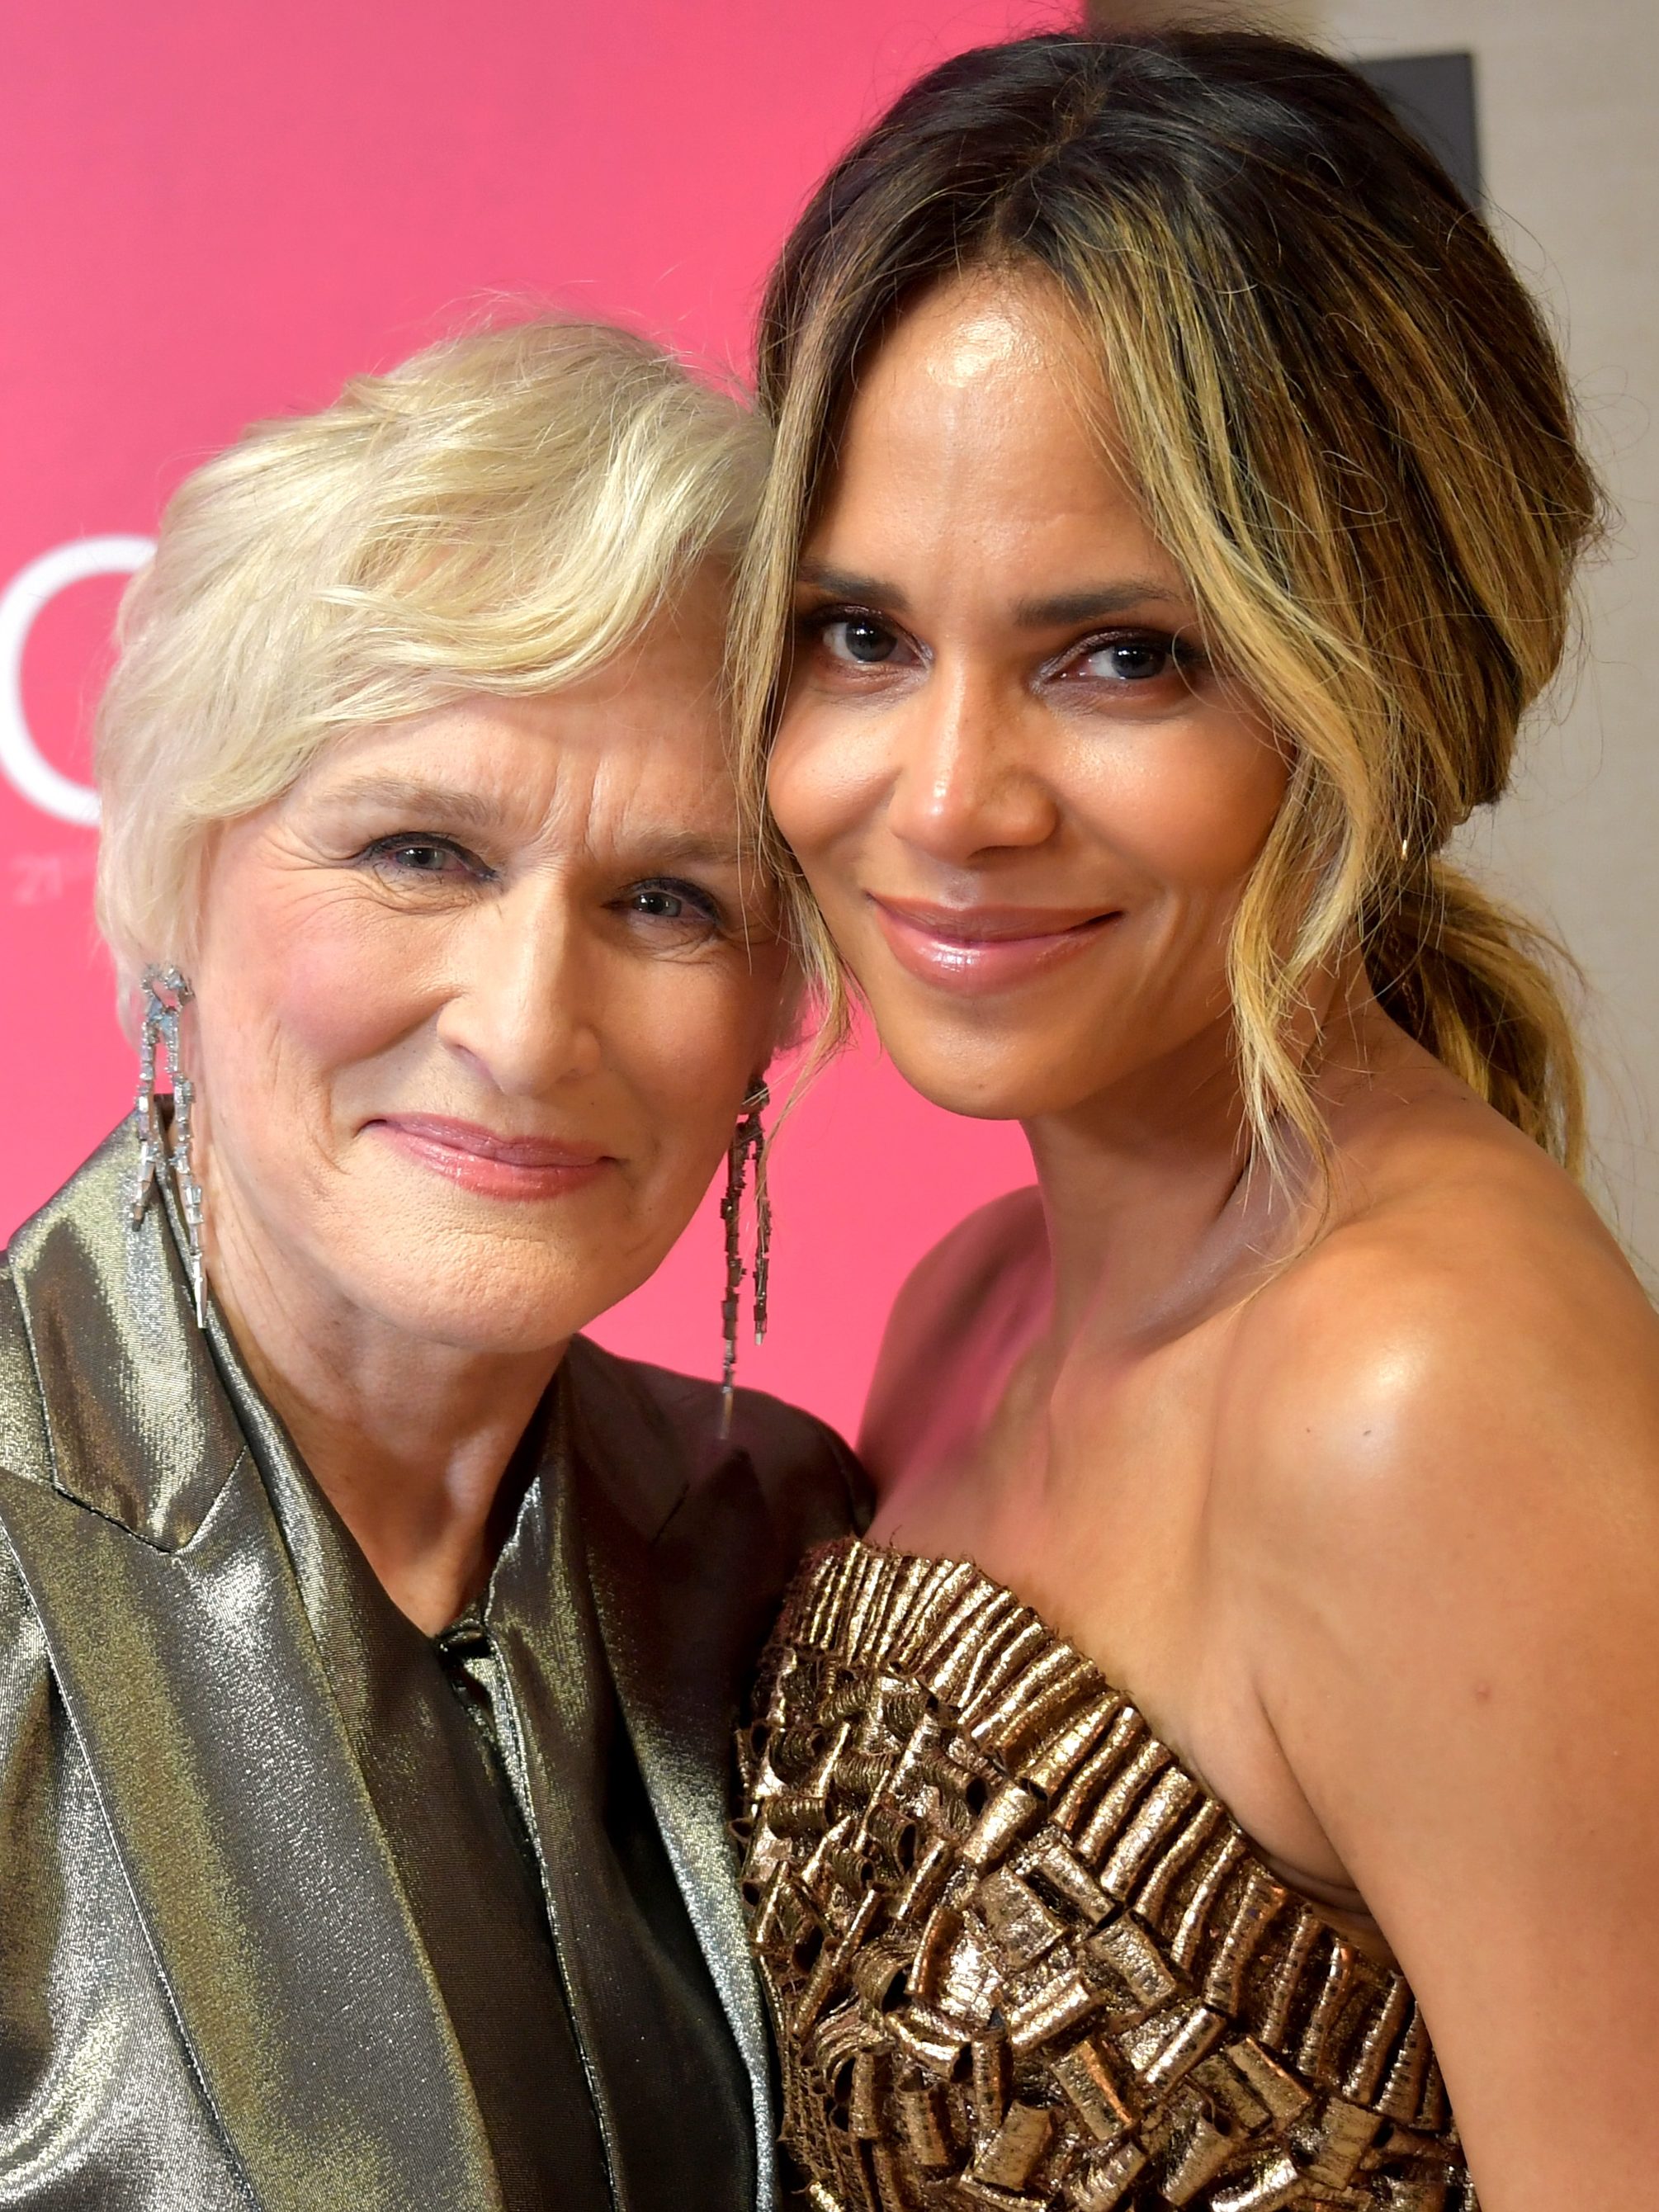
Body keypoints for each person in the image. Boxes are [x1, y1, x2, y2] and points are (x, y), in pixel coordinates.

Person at [731, 30, 1659, 2212]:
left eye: (1120, 656)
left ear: (1385, 658)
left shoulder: (1411, 1396)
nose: (945, 798)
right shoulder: (970, 1304)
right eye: (859, 635)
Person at [0, 317, 863, 2212]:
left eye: (668, 898)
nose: (530, 1020)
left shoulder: (799, 1554)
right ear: (175, 886)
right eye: (419, 849)